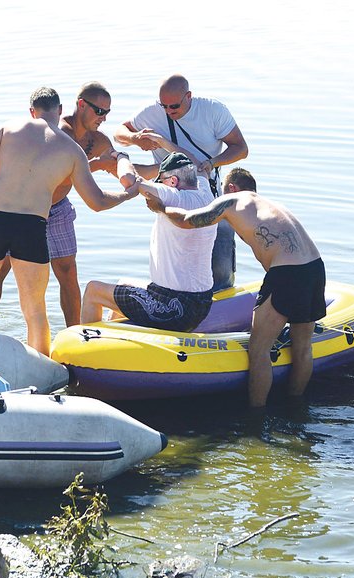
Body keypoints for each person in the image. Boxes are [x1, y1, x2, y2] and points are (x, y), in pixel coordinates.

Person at [0, 87, 138, 356]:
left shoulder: (9, 129)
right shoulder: (72, 150)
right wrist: (127, 194)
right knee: (34, 311)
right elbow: (97, 202)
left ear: (31, 111)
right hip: (31, 228)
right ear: (60, 111)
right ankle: (41, 367)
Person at [146, 167, 325, 408]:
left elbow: (189, 221)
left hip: (287, 272)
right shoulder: (269, 204)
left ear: (231, 188)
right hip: (315, 268)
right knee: (303, 347)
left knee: (259, 348)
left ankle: (256, 416)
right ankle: (296, 407)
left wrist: (161, 208)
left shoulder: (231, 200)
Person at [0, 82, 129, 330]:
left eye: (107, 112)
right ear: (81, 105)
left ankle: (75, 335)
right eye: (99, 111)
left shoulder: (98, 140)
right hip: (25, 210)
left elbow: (122, 171)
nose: (103, 118)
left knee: (68, 272)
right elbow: (61, 173)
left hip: (58, 209)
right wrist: (97, 165)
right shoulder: (57, 131)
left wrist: (150, 177)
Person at [114, 74, 249, 291]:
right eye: (163, 105)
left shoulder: (213, 111)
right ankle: (173, 304)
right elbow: (119, 132)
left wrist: (212, 163)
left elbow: (241, 149)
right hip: (171, 196)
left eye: (174, 106)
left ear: (189, 96)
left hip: (207, 193)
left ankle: (220, 301)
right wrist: (135, 138)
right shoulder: (151, 112)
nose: (168, 111)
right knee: (175, 262)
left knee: (220, 264)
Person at [80, 152, 217, 332]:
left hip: (173, 306)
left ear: (173, 182)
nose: (157, 185)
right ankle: (116, 347)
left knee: (93, 291)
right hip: (201, 304)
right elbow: (201, 168)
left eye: (161, 180)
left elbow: (129, 180)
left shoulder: (173, 196)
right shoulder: (206, 192)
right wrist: (161, 141)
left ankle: (85, 351)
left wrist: (121, 156)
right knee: (124, 284)